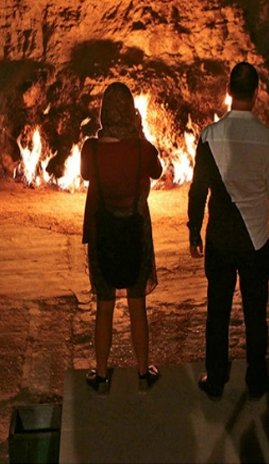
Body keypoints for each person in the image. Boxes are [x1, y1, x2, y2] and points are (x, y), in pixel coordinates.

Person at [187, 61, 269, 401]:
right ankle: (257, 378)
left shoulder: (209, 136)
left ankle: (216, 377)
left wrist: (194, 231)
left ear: (228, 91)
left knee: (218, 311)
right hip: (256, 240)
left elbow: (198, 189)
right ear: (257, 94)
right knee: (255, 313)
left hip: (220, 236)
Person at [80, 82, 163, 395]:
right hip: (136, 233)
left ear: (103, 113)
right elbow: (157, 170)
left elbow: (86, 174)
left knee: (105, 306)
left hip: (103, 234)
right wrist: (139, 132)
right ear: (130, 112)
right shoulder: (142, 149)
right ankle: (142, 371)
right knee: (137, 303)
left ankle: (101, 374)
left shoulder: (91, 150)